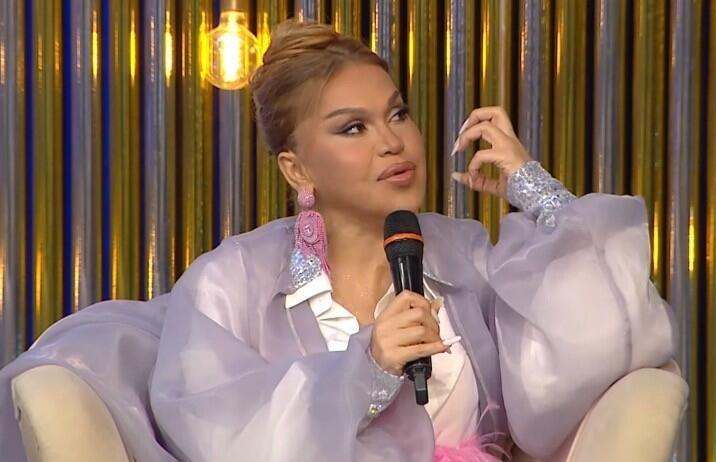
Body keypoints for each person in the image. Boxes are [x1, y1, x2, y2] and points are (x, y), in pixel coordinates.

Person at [0, 20, 675, 462]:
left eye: (398, 114)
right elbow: (216, 433)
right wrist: (365, 371)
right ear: (297, 169)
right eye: (353, 128)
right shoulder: (234, 281)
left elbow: (600, 349)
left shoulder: (466, 255)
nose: (392, 142)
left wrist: (536, 190)